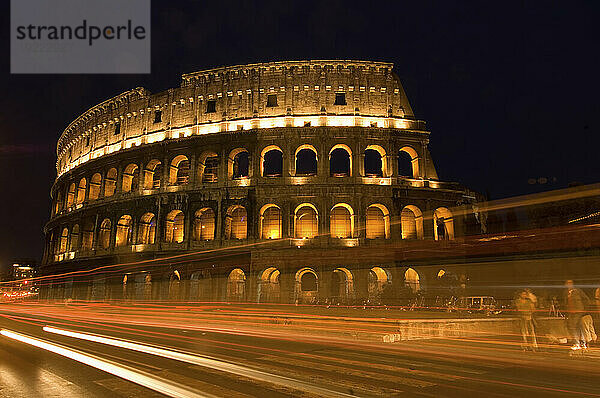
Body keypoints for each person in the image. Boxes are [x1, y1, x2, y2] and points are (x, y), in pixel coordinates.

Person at [564, 279, 590, 350]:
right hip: (571, 312)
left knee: (572, 327)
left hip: (577, 312)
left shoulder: (577, 291)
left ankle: (577, 343)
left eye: (570, 283)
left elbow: (586, 299)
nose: (569, 284)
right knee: (578, 327)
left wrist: (583, 308)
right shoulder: (567, 292)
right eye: (567, 283)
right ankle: (582, 343)